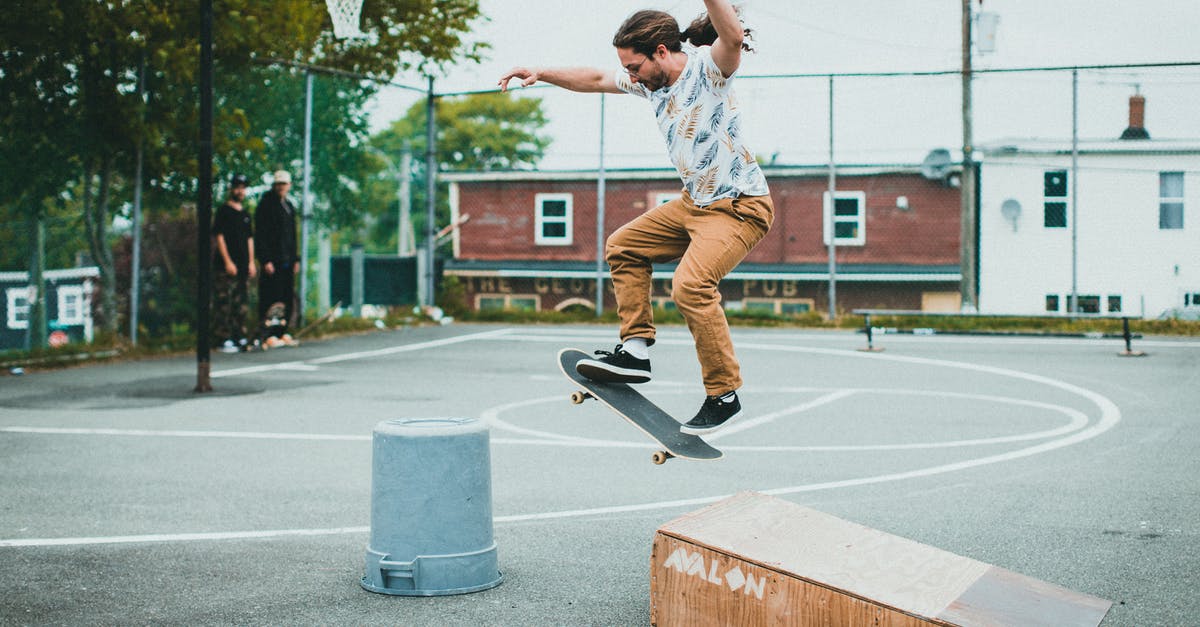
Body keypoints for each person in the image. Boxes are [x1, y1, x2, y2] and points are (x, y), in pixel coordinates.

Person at [499, 1, 773, 435]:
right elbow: (592, 79)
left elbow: (733, 38)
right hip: (693, 205)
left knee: (691, 286)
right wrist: (541, 72)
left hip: (739, 207)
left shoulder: (710, 70)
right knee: (623, 246)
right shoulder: (649, 85)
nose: (629, 75)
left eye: (633, 65)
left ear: (661, 53)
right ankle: (636, 351)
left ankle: (724, 394)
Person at [254, 170, 300, 347]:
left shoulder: (288, 206)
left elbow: (292, 236)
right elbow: (261, 235)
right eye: (278, 184)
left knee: (285, 296)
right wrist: (265, 259)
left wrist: (296, 258)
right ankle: (267, 333)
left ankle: (282, 331)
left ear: (289, 186)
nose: (281, 187)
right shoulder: (266, 206)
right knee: (270, 296)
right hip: (273, 260)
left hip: (287, 259)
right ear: (274, 186)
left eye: (284, 184)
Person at [212, 173, 256, 352]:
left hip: (244, 264)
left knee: (241, 302)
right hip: (226, 266)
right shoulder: (224, 211)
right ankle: (223, 338)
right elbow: (219, 237)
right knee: (225, 302)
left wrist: (252, 262)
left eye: (243, 187)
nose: (240, 191)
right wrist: (228, 262)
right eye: (237, 187)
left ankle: (239, 336)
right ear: (231, 189)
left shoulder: (245, 214)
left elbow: (249, 239)